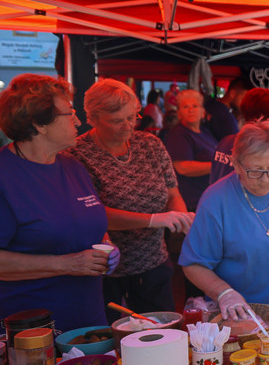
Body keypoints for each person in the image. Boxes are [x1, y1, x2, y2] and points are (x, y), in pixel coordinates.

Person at [0, 74, 118, 331]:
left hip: (89, 318)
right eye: (69, 112)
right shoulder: (5, 176)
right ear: (39, 125)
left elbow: (86, 221)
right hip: (31, 330)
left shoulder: (72, 166)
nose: (77, 120)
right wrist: (68, 264)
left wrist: (107, 246)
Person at [69, 79, 193, 320]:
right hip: (103, 273)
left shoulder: (150, 144)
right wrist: (154, 219)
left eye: (132, 117)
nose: (127, 126)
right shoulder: (75, 154)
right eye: (117, 121)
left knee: (161, 334)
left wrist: (181, 218)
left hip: (153, 264)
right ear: (92, 118)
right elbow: (92, 214)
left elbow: (172, 193)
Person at [181, 122, 269, 317]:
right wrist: (224, 293)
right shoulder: (216, 200)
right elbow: (193, 264)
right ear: (236, 164)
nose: (265, 178)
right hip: (240, 319)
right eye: (255, 171)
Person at [162, 89, 218, 211]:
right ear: (179, 113)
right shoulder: (178, 134)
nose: (191, 109)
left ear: (203, 112)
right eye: (185, 106)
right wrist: (218, 165)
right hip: (190, 203)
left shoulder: (206, 133)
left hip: (207, 199)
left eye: (195, 106)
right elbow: (183, 167)